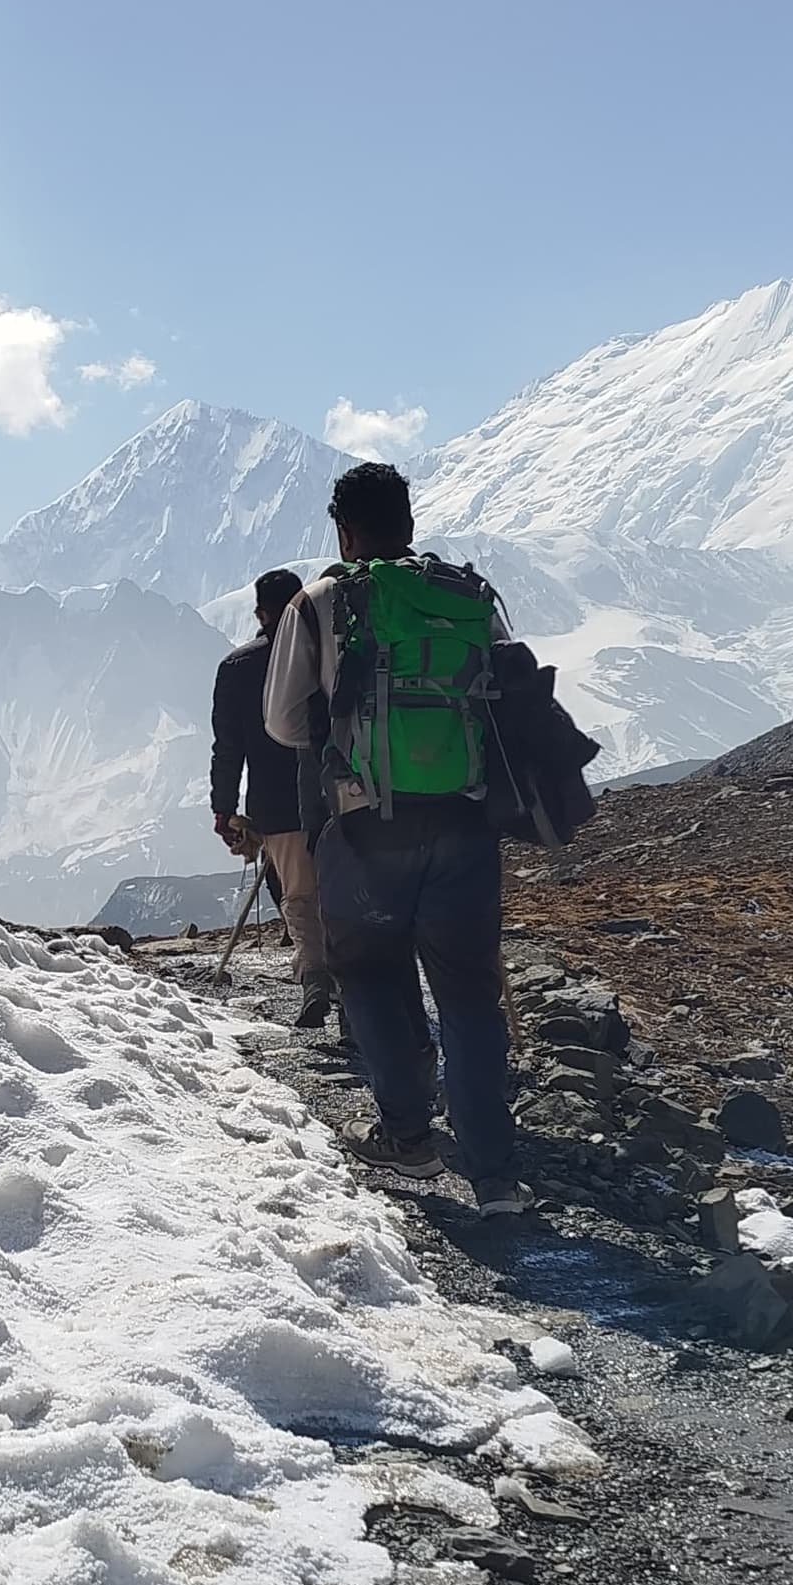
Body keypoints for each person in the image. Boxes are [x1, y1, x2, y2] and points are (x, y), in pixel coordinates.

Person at [263, 460, 530, 1215]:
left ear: (344, 532)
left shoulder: (321, 602)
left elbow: (283, 723)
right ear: (411, 523)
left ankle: (408, 1137)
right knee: (470, 996)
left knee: (374, 978)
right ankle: (494, 1172)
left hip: (366, 825)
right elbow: (511, 691)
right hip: (466, 822)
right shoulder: (471, 595)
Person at [210, 569, 333, 1027]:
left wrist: (224, 809)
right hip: (339, 794)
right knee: (340, 890)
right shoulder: (328, 654)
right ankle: (357, 996)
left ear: (261, 613)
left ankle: (315, 975)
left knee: (299, 896)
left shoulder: (237, 669)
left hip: (277, 806)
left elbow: (228, 749)